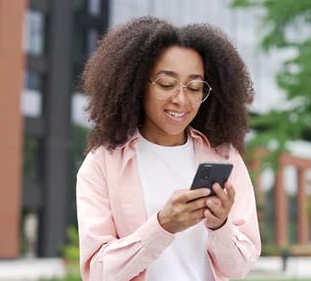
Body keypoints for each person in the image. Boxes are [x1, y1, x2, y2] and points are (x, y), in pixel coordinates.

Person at [76, 16, 261, 281]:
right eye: (166, 84)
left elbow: (240, 268)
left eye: (195, 87)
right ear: (137, 85)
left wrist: (220, 225)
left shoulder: (224, 157)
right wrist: (162, 226)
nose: (181, 99)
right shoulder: (102, 164)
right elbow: (98, 273)